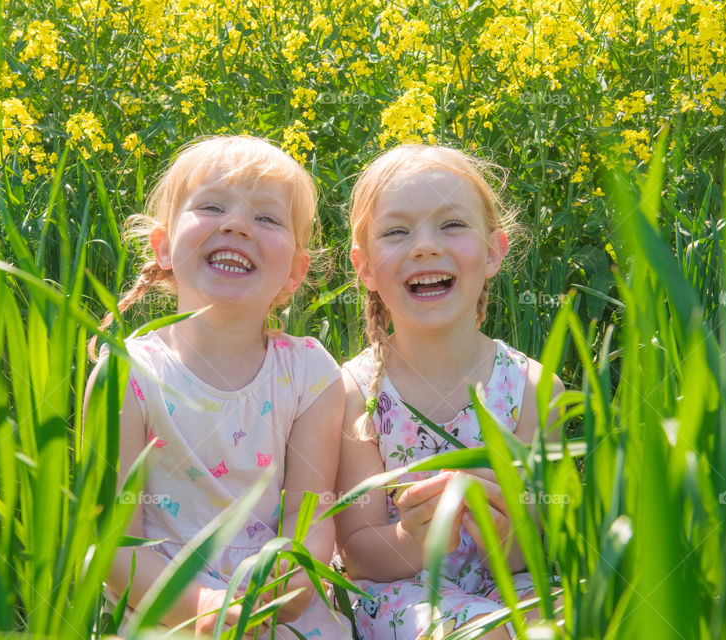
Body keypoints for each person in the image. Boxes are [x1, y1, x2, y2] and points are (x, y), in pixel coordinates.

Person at [85, 136, 349, 638]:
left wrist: (291, 578)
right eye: (210, 207)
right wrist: (204, 606)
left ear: (295, 271)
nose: (236, 224)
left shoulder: (311, 374)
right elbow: (113, 543)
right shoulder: (129, 374)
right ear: (162, 247)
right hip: (164, 606)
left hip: (276, 609)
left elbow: (309, 513)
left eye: (267, 219)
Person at [335, 144, 565, 640]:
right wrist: (415, 537)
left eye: (452, 225)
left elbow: (537, 548)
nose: (424, 246)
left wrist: (500, 531)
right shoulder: (355, 392)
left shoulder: (531, 388)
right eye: (397, 232)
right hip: (404, 592)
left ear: (492, 252)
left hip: (511, 585)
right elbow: (357, 555)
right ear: (366, 268)